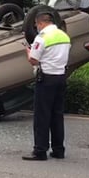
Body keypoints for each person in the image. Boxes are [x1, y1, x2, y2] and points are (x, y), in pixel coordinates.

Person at [22, 12, 71, 161]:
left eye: (37, 25)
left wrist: (27, 50)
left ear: (40, 23)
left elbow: (33, 60)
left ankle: (40, 151)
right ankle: (58, 150)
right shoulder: (64, 36)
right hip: (61, 77)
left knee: (42, 116)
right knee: (57, 115)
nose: (37, 28)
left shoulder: (42, 38)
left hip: (46, 79)